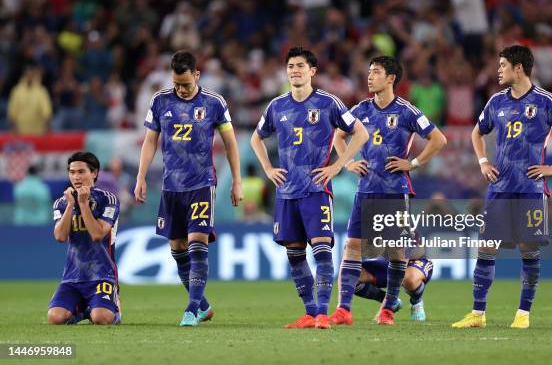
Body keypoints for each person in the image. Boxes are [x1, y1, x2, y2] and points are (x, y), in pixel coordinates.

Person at [452, 45, 552, 329]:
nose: (498, 70)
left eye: (502, 65)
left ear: (518, 68)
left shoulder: (546, 101)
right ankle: (478, 314)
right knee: (486, 245)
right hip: (499, 187)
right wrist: (484, 161)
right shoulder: (496, 101)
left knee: (528, 248)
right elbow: (477, 132)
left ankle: (523, 314)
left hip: (530, 188)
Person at [250, 46, 369, 329]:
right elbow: (257, 138)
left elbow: (360, 133)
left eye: (300, 66)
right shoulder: (277, 106)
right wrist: (267, 168)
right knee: (294, 255)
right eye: (291, 66)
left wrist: (338, 165)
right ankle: (310, 311)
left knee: (322, 251)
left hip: (316, 190)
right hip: (286, 192)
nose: (295, 70)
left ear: (312, 71)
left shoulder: (329, 103)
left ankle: (322, 315)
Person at [329, 56, 447, 326]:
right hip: (366, 190)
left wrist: (413, 163)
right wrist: (347, 161)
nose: (370, 77)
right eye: (369, 72)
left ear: (391, 78)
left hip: (395, 191)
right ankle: (343, 310)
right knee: (352, 247)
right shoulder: (360, 109)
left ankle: (388, 311)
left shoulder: (406, 111)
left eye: (376, 72)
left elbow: (438, 139)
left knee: (396, 251)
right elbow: (338, 135)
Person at [134, 50, 243, 326]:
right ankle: (203, 305)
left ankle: (192, 309)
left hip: (201, 184)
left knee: (197, 242)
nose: (181, 90)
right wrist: (141, 176)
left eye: (186, 83)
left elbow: (231, 144)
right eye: (176, 84)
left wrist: (237, 182)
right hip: (171, 186)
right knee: (178, 246)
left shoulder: (214, 102)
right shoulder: (160, 101)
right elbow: (150, 142)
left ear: (197, 74)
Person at [47, 152, 121, 325]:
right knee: (54, 318)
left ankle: (115, 309)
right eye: (72, 172)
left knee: (102, 318)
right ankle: (83, 311)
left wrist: (83, 204)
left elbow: (97, 234)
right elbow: (60, 236)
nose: (76, 177)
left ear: (94, 173)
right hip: (72, 276)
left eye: (81, 172)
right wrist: (72, 205)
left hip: (103, 275)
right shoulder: (62, 203)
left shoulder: (108, 200)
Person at [354, 253, 434, 322]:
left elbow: (399, 266)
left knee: (409, 280)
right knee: (350, 278)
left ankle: (416, 302)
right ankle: (392, 302)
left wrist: (384, 309)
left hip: (414, 260)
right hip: (386, 261)